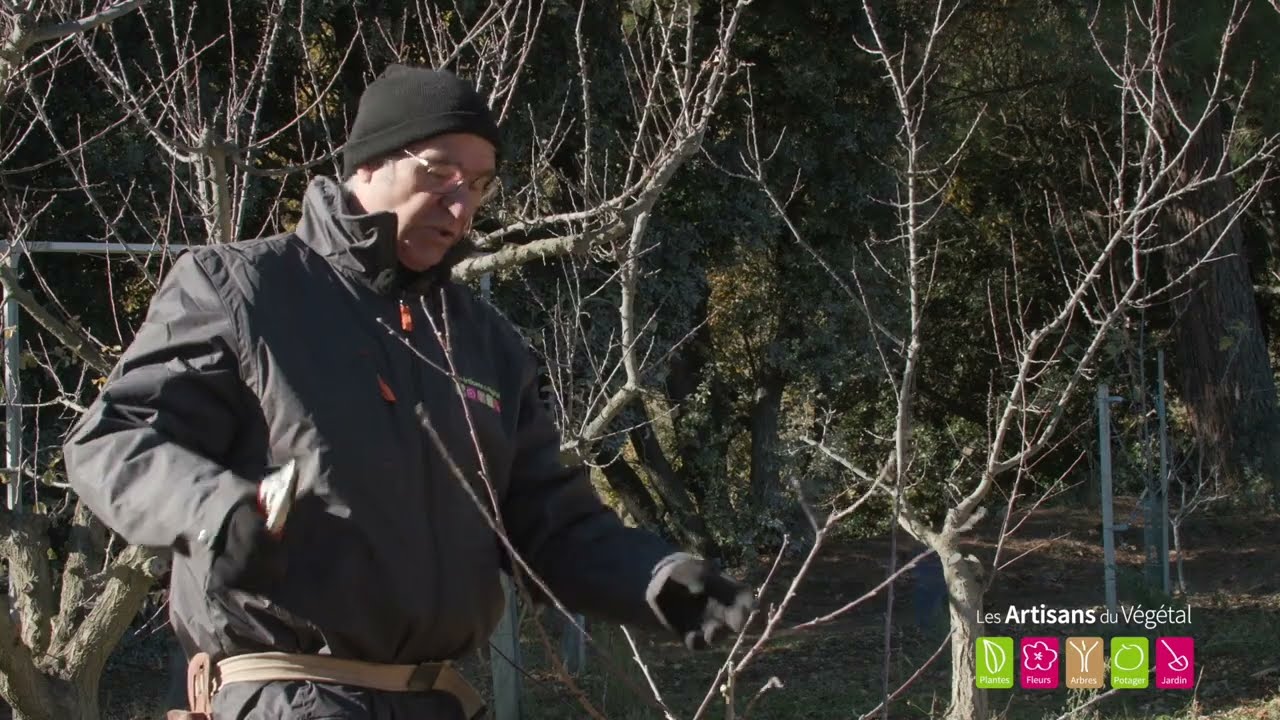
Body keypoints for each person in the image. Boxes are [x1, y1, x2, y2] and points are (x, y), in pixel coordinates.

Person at [63, 64, 753, 720]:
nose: (460, 204)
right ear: (367, 163)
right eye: (438, 174)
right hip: (287, 698)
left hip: (438, 702)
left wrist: (654, 579)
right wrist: (216, 513)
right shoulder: (242, 291)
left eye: (478, 184)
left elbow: (551, 524)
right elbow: (112, 441)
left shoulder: (484, 342)